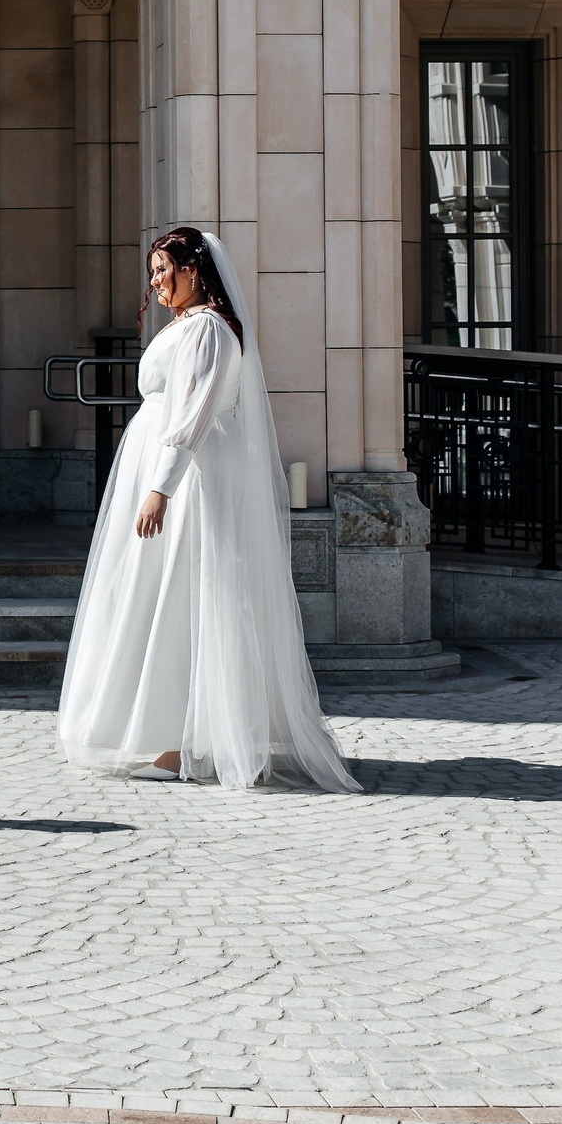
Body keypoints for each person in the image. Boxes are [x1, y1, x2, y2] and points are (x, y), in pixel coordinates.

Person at [56, 226, 360, 792]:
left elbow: (194, 414)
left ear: (194, 269)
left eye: (164, 269)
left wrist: (161, 488)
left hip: (191, 481)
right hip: (167, 470)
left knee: (187, 597)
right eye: (153, 271)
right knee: (163, 598)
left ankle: (185, 744)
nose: (157, 281)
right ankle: (173, 735)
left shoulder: (211, 332)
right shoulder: (189, 327)